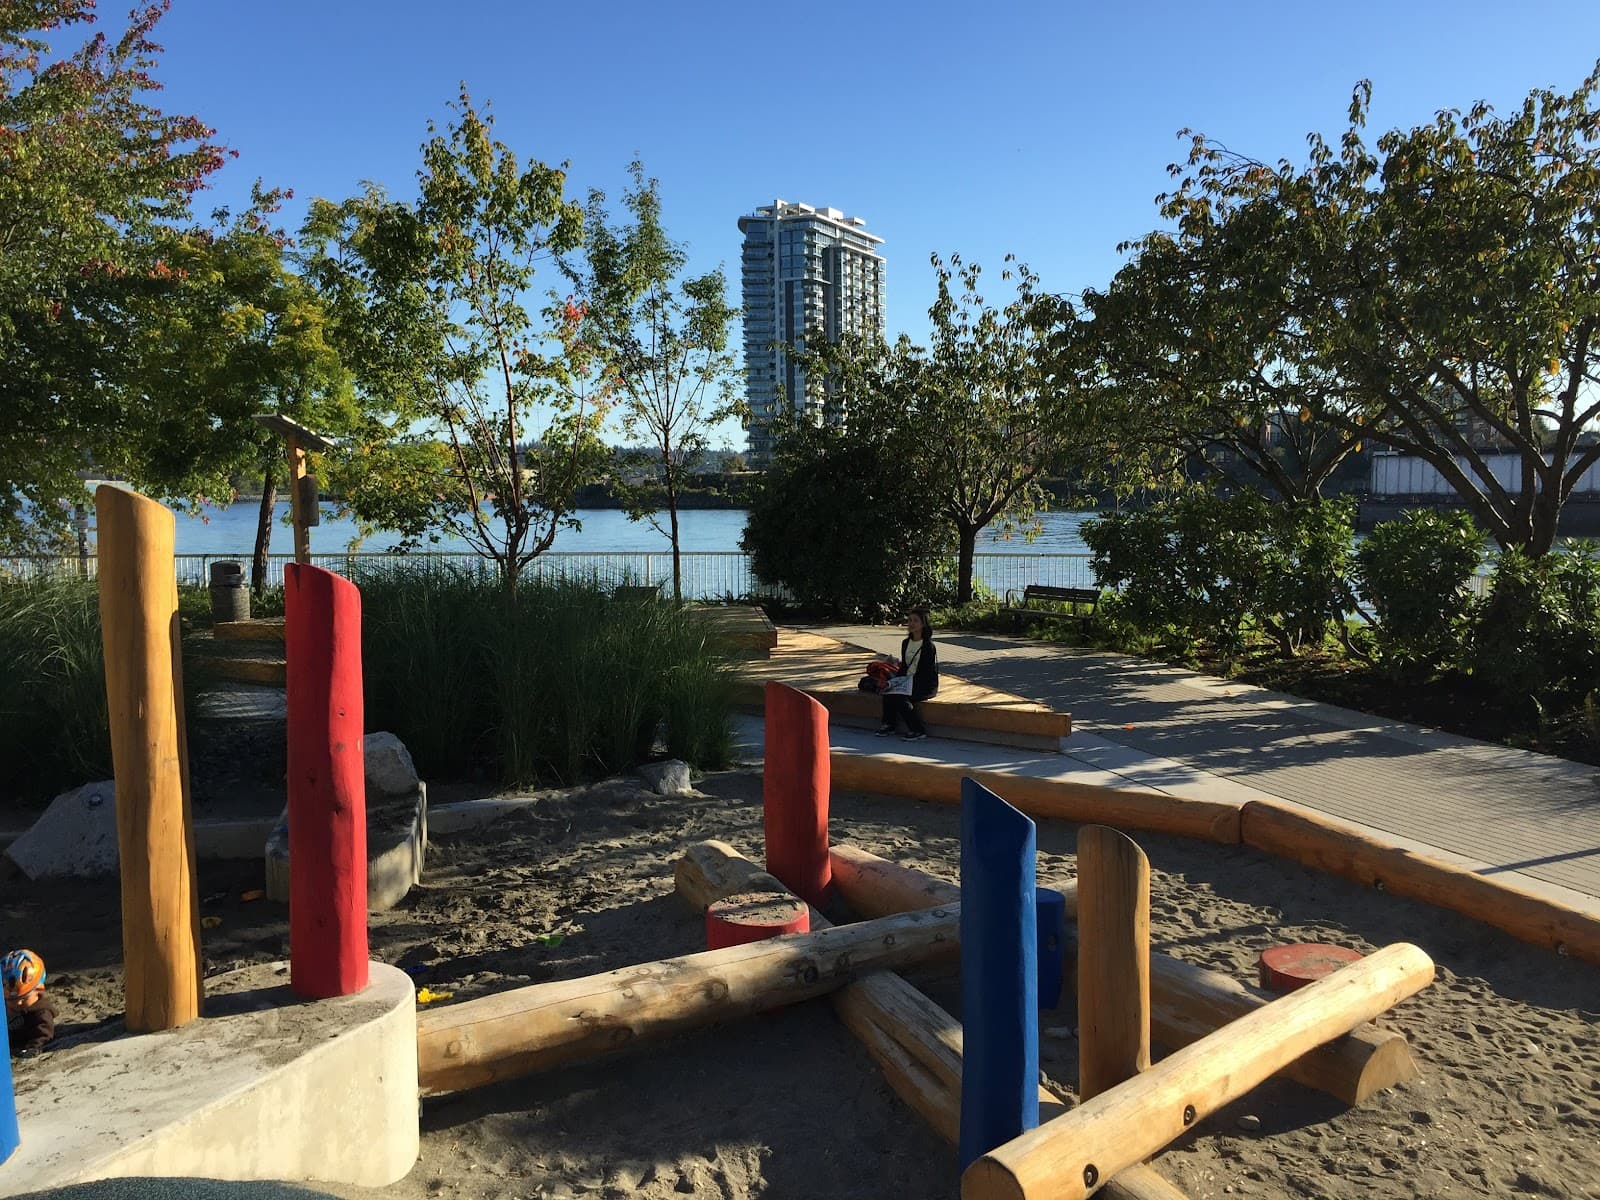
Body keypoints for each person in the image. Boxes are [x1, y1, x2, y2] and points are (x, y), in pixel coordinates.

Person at [877, 607, 939, 741]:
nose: (911, 624)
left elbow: (926, 672)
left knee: (900, 697)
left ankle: (917, 730)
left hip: (924, 684)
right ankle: (889, 724)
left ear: (923, 624)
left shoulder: (928, 646)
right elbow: (904, 666)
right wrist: (894, 682)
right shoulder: (906, 643)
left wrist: (906, 684)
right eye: (910, 620)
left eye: (915, 621)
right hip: (907, 681)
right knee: (888, 692)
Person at [5, 948, 56, 1057]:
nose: (18, 1003)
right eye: (12, 1000)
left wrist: (33, 1048)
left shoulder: (42, 1013)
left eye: (24, 998)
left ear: (38, 989)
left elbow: (44, 1035)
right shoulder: (6, 1005)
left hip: (23, 1044)